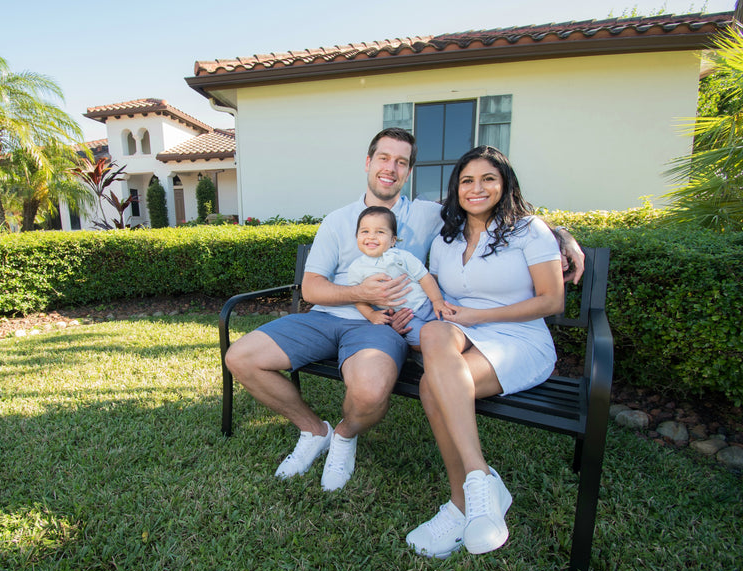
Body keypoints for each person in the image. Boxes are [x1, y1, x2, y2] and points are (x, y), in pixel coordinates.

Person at [224, 128, 584, 494]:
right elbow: (312, 287)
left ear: (408, 172)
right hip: (326, 316)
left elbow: (492, 208)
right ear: (368, 162)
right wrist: (358, 292)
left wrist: (561, 235)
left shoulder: (429, 215)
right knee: (241, 357)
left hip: (381, 326)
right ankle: (315, 430)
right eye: (384, 158)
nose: (390, 168)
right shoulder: (338, 220)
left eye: (401, 162)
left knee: (368, 392)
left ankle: (345, 437)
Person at [405, 145, 564, 559]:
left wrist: (477, 316)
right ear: (456, 188)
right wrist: (403, 313)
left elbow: (552, 300)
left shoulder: (529, 230)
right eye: (467, 180)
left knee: (429, 387)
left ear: (504, 184)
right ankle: (479, 483)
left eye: (488, 179)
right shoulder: (447, 237)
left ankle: (462, 501)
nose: (477, 188)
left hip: (519, 338)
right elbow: (437, 296)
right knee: (435, 333)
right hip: (459, 330)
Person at [347, 206, 448, 348]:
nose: (371, 236)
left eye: (380, 232)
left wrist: (437, 301)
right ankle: (439, 353)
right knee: (421, 339)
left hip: (427, 302)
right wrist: (371, 315)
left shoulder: (402, 256)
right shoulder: (356, 268)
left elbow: (424, 277)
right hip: (405, 317)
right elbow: (358, 298)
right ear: (357, 236)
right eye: (365, 231)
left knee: (454, 317)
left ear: (393, 240)